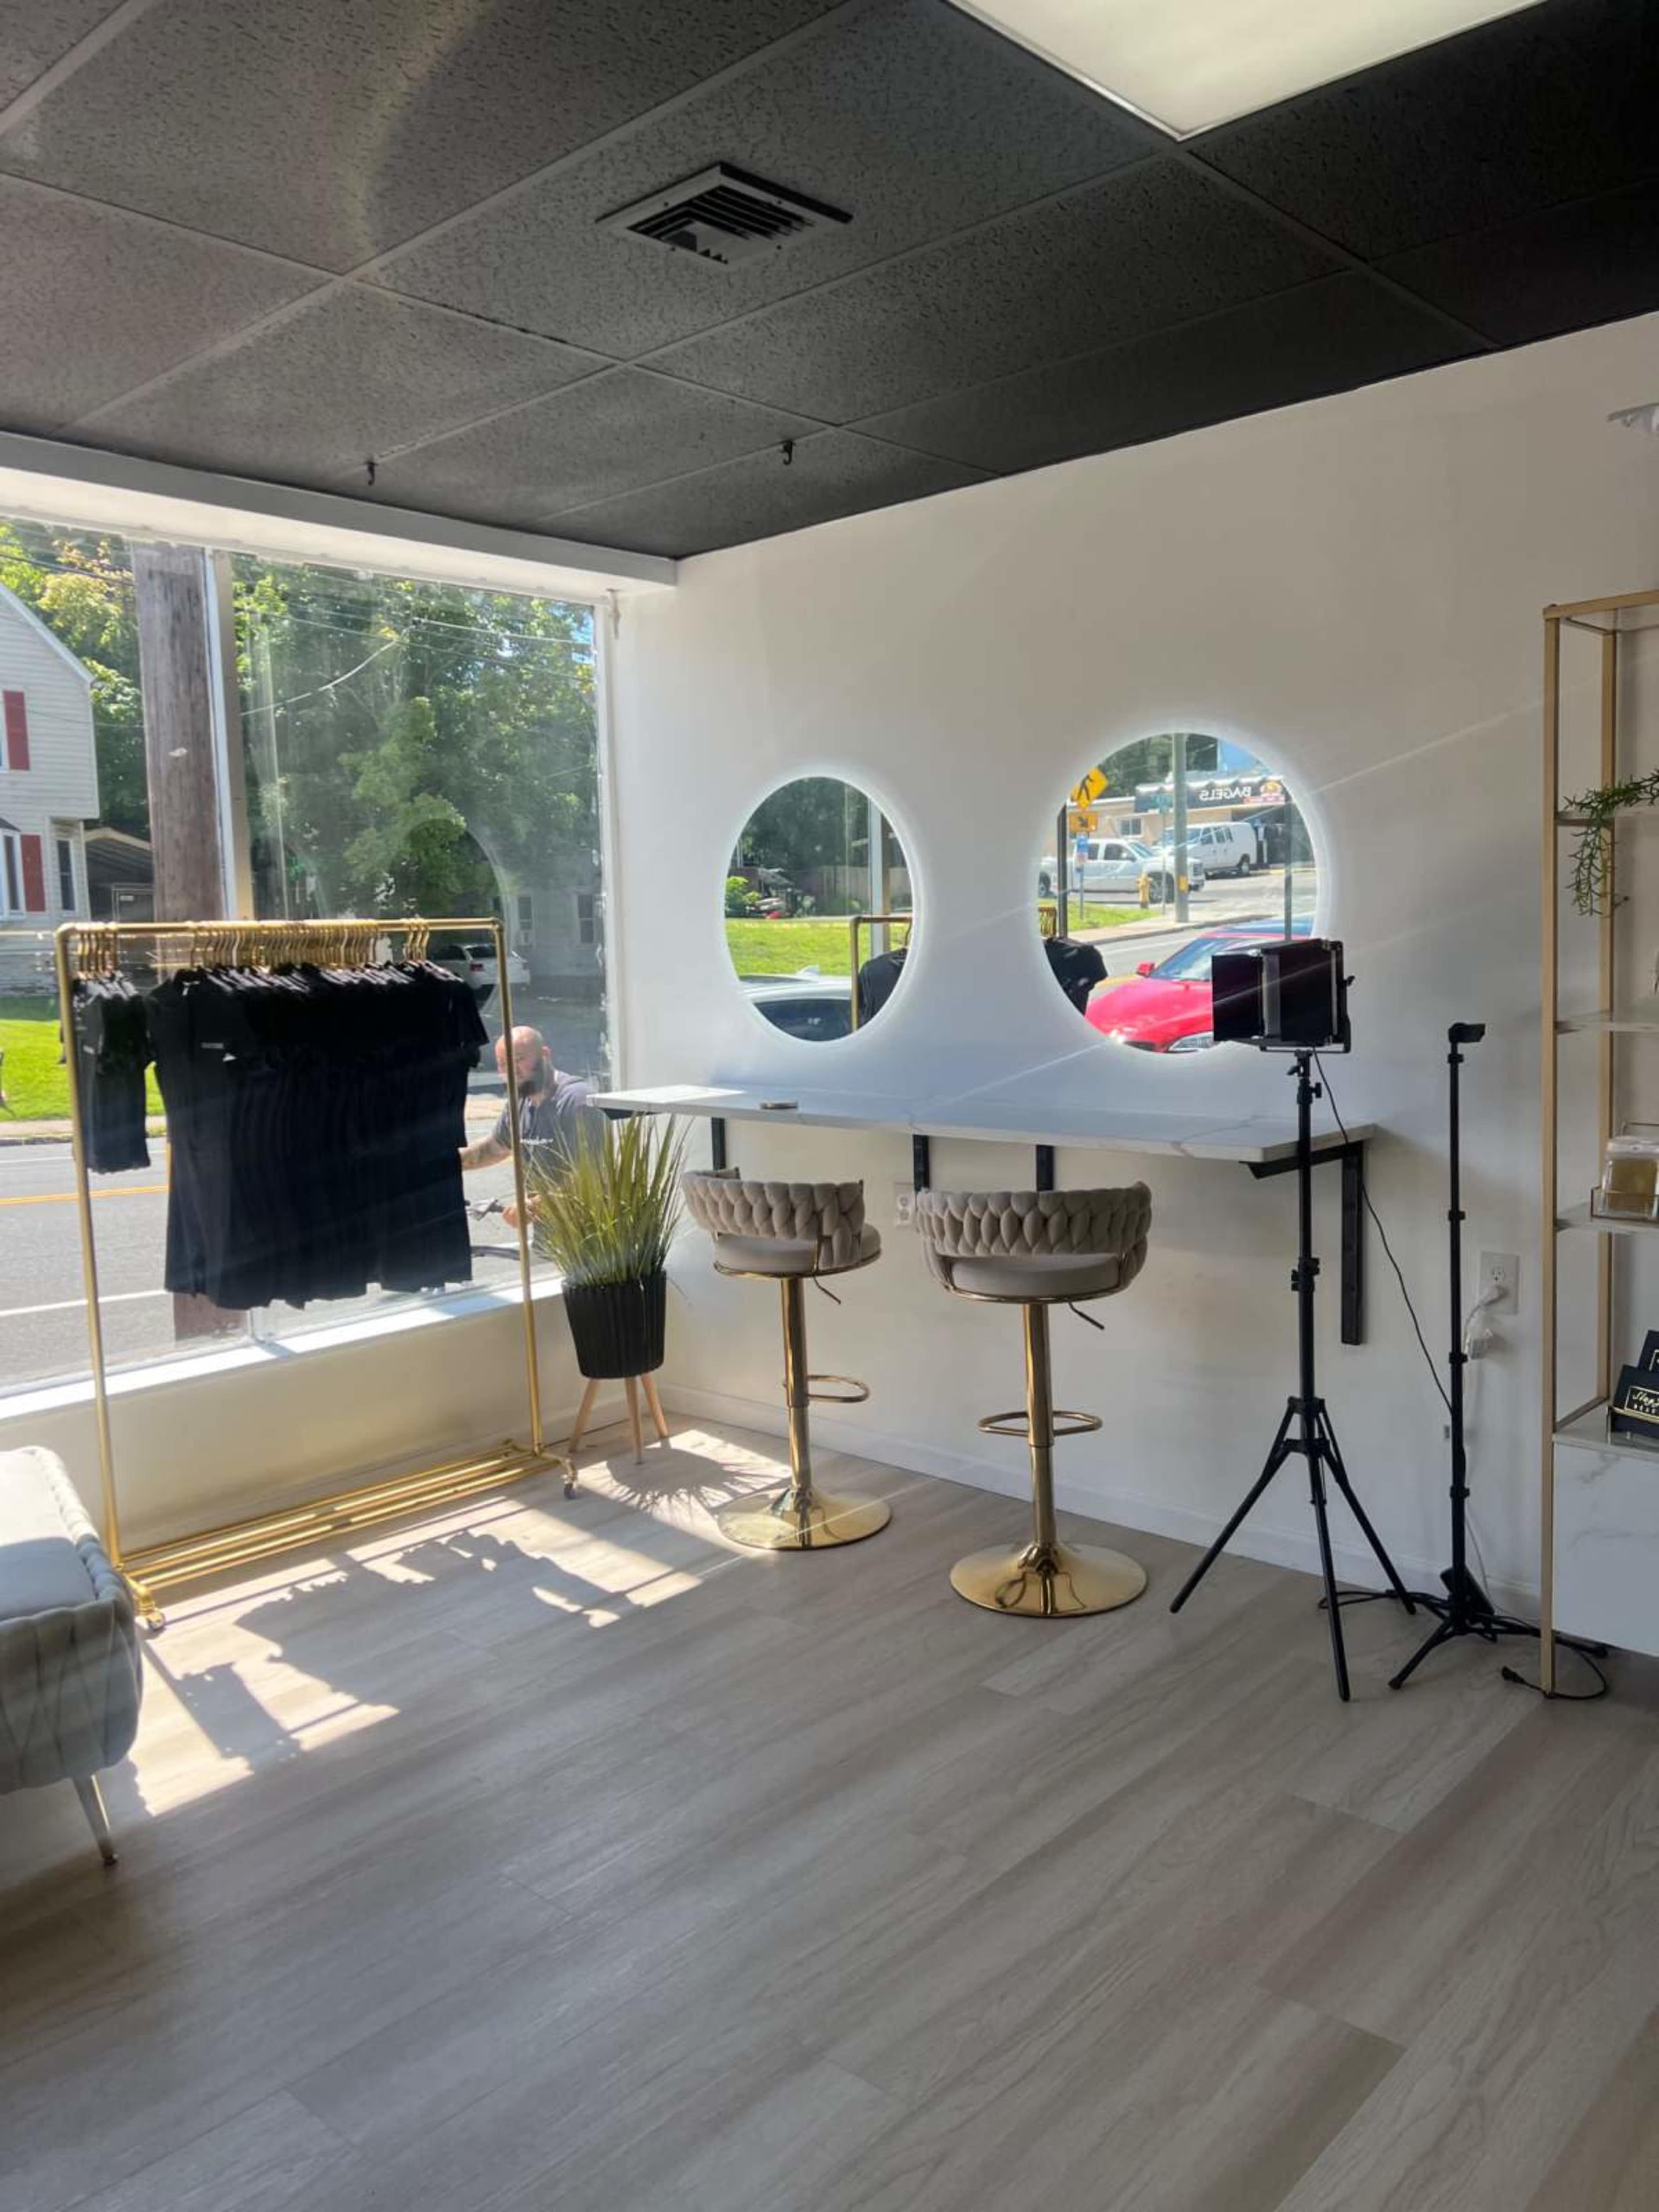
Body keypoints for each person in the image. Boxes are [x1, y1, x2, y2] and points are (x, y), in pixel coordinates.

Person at [459, 1026, 603, 1224]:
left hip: (589, 1233)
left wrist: (534, 1207)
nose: (511, 1070)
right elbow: (495, 1148)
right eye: (503, 1063)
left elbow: (592, 1173)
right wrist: (446, 1164)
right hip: (548, 1232)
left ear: (545, 1055)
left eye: (519, 1059)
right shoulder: (520, 1101)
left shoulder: (576, 1100)